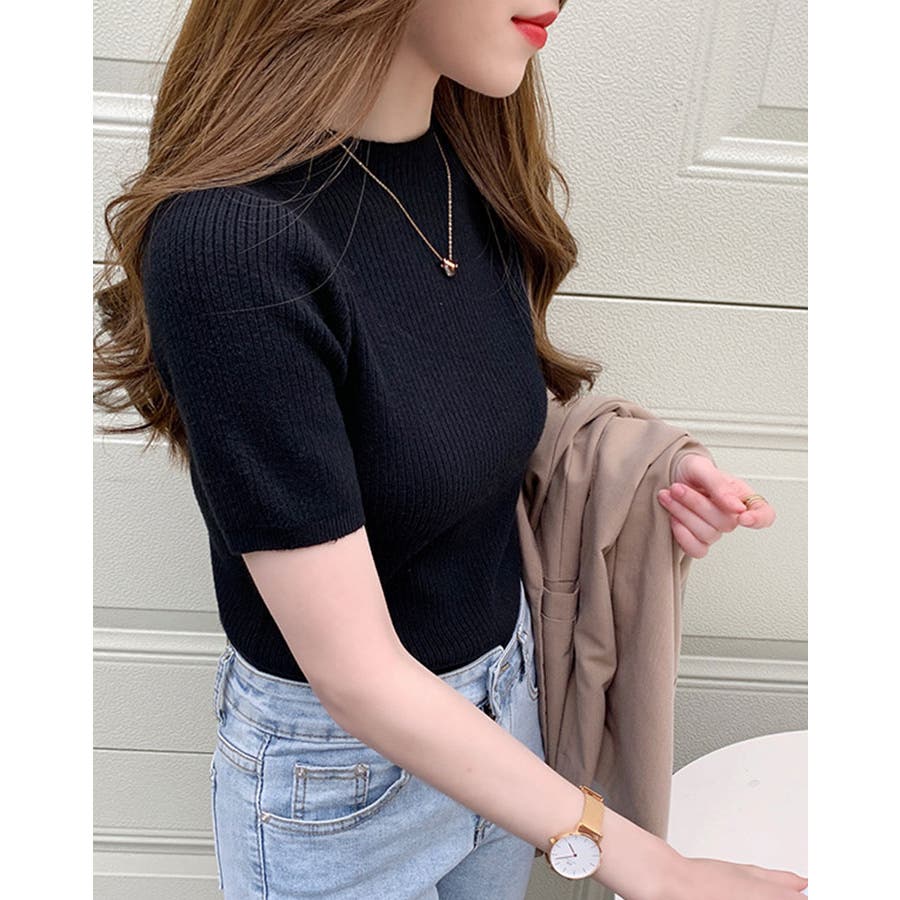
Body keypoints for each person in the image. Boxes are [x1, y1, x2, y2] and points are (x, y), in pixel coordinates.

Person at [93, 2, 807, 898]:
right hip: (340, 782)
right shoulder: (233, 245)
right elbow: (355, 673)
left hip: (507, 709)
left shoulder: (464, 162)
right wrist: (654, 868)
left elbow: (442, 425)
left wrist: (640, 474)